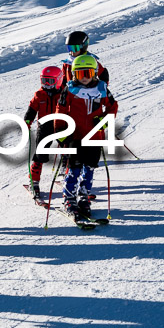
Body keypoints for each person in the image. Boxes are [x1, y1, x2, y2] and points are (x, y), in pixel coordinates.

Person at [55, 55, 118, 219]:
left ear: (95, 73)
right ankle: (69, 198)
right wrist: (60, 130)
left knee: (89, 167)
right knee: (74, 168)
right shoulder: (69, 88)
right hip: (74, 136)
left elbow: (113, 106)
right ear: (74, 74)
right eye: (80, 73)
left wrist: (104, 121)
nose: (85, 78)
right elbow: (60, 110)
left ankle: (83, 196)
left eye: (88, 73)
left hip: (94, 136)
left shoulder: (102, 88)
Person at [24, 66, 64, 197]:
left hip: (61, 125)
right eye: (44, 81)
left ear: (58, 80)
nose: (46, 85)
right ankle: (34, 182)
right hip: (44, 126)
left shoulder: (64, 93)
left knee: (68, 149)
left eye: (50, 81)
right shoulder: (39, 94)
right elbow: (32, 109)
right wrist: (28, 120)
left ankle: (67, 175)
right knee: (40, 153)